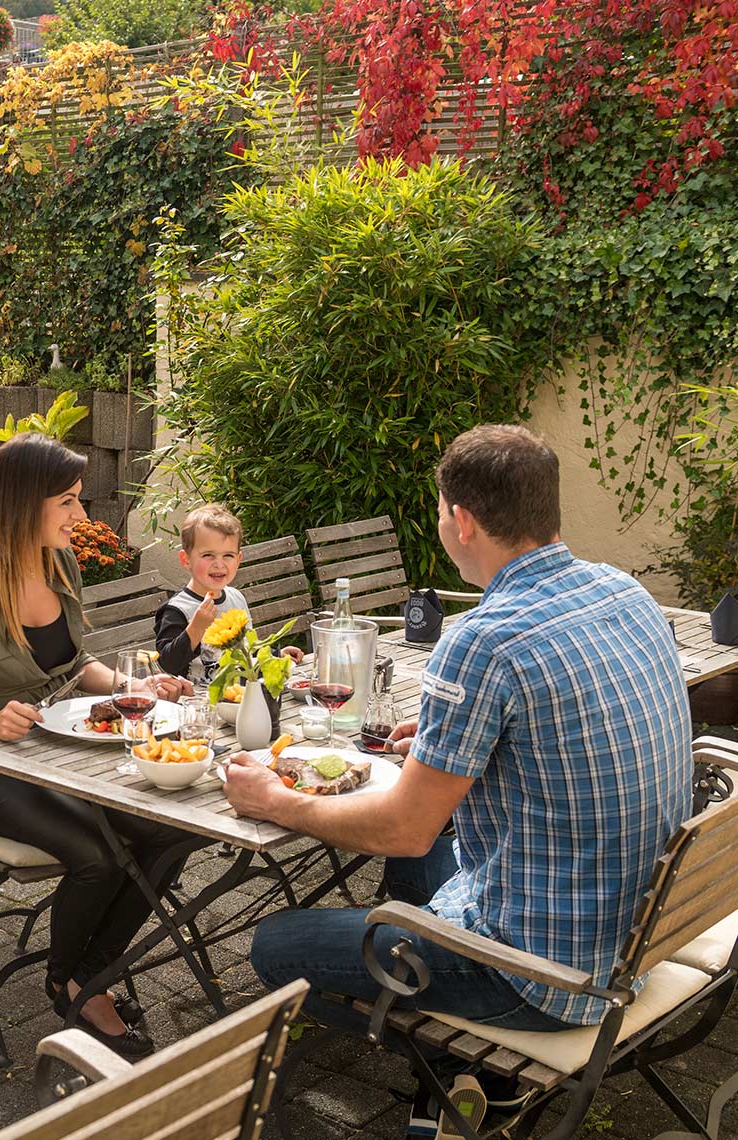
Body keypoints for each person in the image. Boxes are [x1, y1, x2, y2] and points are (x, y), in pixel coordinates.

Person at [223, 424, 691, 1138]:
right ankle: (474, 1088)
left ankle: (452, 1080)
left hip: (546, 977)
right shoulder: (622, 591)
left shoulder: (484, 639)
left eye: (442, 511)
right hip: (634, 933)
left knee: (276, 944)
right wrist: (451, 744)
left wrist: (276, 800)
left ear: (462, 522)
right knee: (415, 875)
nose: (442, 523)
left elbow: (401, 829)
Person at [0, 433, 197, 1060]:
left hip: (63, 757)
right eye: (66, 502)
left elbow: (74, 665)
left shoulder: (58, 563)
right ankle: (70, 982)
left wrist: (132, 688)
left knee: (173, 830)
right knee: (98, 856)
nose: (81, 517)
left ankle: (94, 965)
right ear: (23, 504)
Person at [154, 503, 302, 682]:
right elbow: (167, 663)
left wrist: (276, 654)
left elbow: (246, 647)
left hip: (241, 696)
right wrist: (196, 627)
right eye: (208, 555)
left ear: (238, 560)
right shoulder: (177, 609)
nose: (219, 564)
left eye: (228, 556)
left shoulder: (236, 597)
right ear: (186, 560)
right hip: (197, 702)